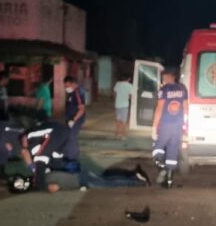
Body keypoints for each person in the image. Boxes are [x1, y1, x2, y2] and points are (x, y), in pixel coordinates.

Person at [16, 121, 148, 193]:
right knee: (104, 179)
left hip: (76, 175)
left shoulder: (33, 141)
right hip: (74, 171)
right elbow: (45, 163)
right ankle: (134, 176)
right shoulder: (37, 142)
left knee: (105, 183)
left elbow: (41, 159)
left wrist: (40, 186)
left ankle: (138, 182)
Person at [152, 68, 188, 188]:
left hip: (165, 125)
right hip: (177, 126)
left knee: (157, 149)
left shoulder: (164, 89)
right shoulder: (183, 88)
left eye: (164, 76)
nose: (163, 79)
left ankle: (162, 166)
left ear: (170, 76)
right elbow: (186, 108)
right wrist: (185, 125)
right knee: (172, 152)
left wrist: (154, 126)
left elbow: (159, 109)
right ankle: (169, 182)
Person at [63, 75, 86, 161]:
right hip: (70, 118)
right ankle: (68, 153)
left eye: (68, 86)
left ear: (73, 84)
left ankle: (72, 157)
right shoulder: (71, 92)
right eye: (65, 86)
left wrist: (73, 120)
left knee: (71, 136)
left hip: (76, 119)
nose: (66, 88)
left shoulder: (78, 92)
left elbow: (82, 109)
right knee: (68, 135)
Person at [113, 75, 133, 139]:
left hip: (117, 104)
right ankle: (123, 135)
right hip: (124, 105)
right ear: (129, 79)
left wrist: (118, 98)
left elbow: (114, 94)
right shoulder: (130, 86)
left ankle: (117, 133)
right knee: (124, 121)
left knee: (118, 119)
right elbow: (130, 96)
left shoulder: (118, 84)